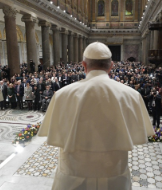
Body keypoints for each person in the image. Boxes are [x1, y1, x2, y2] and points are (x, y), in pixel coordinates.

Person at [38, 42, 154, 190]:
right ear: (111, 66)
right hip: (115, 178)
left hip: (72, 177)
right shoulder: (132, 95)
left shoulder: (62, 95)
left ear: (84, 65)